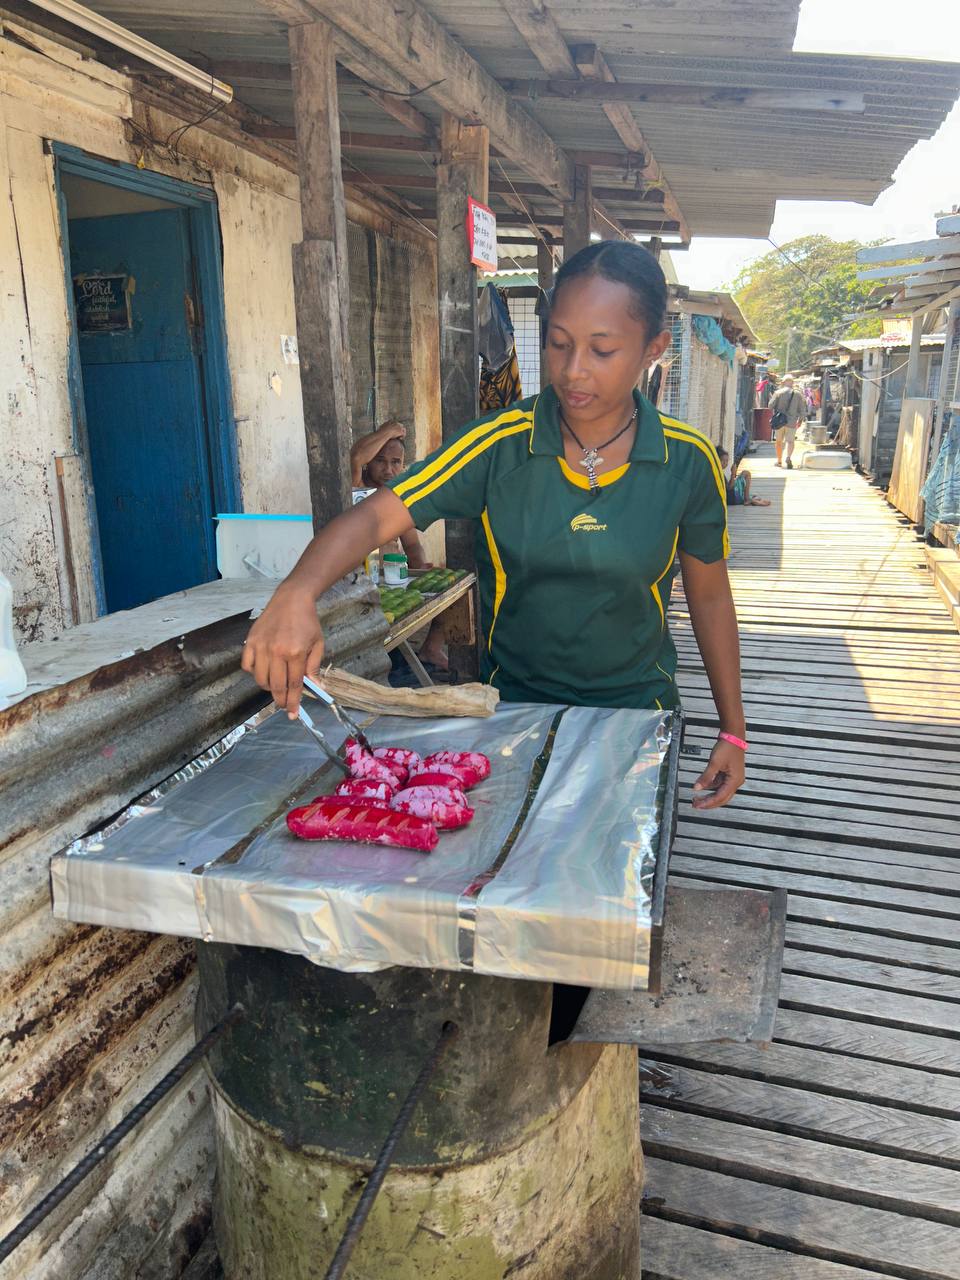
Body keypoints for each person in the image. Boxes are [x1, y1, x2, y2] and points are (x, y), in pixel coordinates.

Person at [243, 241, 748, 810]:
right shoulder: (499, 444)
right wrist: (296, 593)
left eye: (601, 350)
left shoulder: (688, 460)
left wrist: (732, 727)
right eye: (558, 343)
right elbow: (375, 516)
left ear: (653, 349)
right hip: (512, 712)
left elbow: (709, 596)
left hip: (635, 716)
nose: (573, 370)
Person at [350, 419, 448, 671]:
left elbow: (412, 546)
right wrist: (387, 432)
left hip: (395, 581)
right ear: (370, 463)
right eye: (381, 460)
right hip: (363, 582)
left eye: (395, 463)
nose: (388, 469)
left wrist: (422, 570)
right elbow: (356, 455)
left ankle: (431, 649)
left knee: (453, 592)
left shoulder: (398, 499)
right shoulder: (357, 490)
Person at [769, 374, 805, 469]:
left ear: (783, 383)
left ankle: (779, 461)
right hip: (792, 422)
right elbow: (802, 409)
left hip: (779, 422)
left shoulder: (777, 393)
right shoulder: (798, 394)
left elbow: (770, 406)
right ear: (792, 383)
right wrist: (800, 420)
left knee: (779, 441)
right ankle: (788, 457)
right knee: (790, 441)